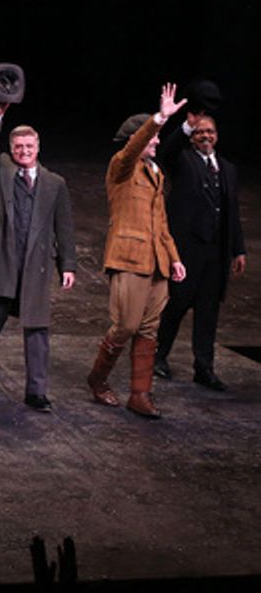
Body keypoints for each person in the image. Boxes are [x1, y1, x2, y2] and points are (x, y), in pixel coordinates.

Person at [85, 85, 188, 418]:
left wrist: (174, 257)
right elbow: (132, 150)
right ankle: (98, 379)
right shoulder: (122, 168)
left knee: (148, 329)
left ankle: (140, 394)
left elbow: (161, 222)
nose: (158, 141)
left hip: (157, 261)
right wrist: (159, 119)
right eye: (153, 138)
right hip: (129, 259)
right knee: (126, 325)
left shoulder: (155, 174)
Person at [0, 103, 77, 411]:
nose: (24, 151)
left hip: (35, 266)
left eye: (29, 146)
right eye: (18, 146)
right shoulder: (2, 168)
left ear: (38, 147)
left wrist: (67, 265)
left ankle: (36, 391)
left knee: (38, 329)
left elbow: (64, 227)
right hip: (2, 262)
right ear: (11, 149)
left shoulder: (55, 184)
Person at [154, 88, 246, 390]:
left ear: (217, 135)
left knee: (208, 311)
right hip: (187, 249)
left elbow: (232, 213)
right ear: (192, 136)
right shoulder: (182, 161)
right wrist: (184, 126)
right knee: (177, 305)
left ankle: (204, 367)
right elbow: (166, 150)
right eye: (200, 131)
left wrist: (238, 250)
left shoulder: (228, 169)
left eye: (210, 131)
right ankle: (158, 357)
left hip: (215, 254)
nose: (206, 136)